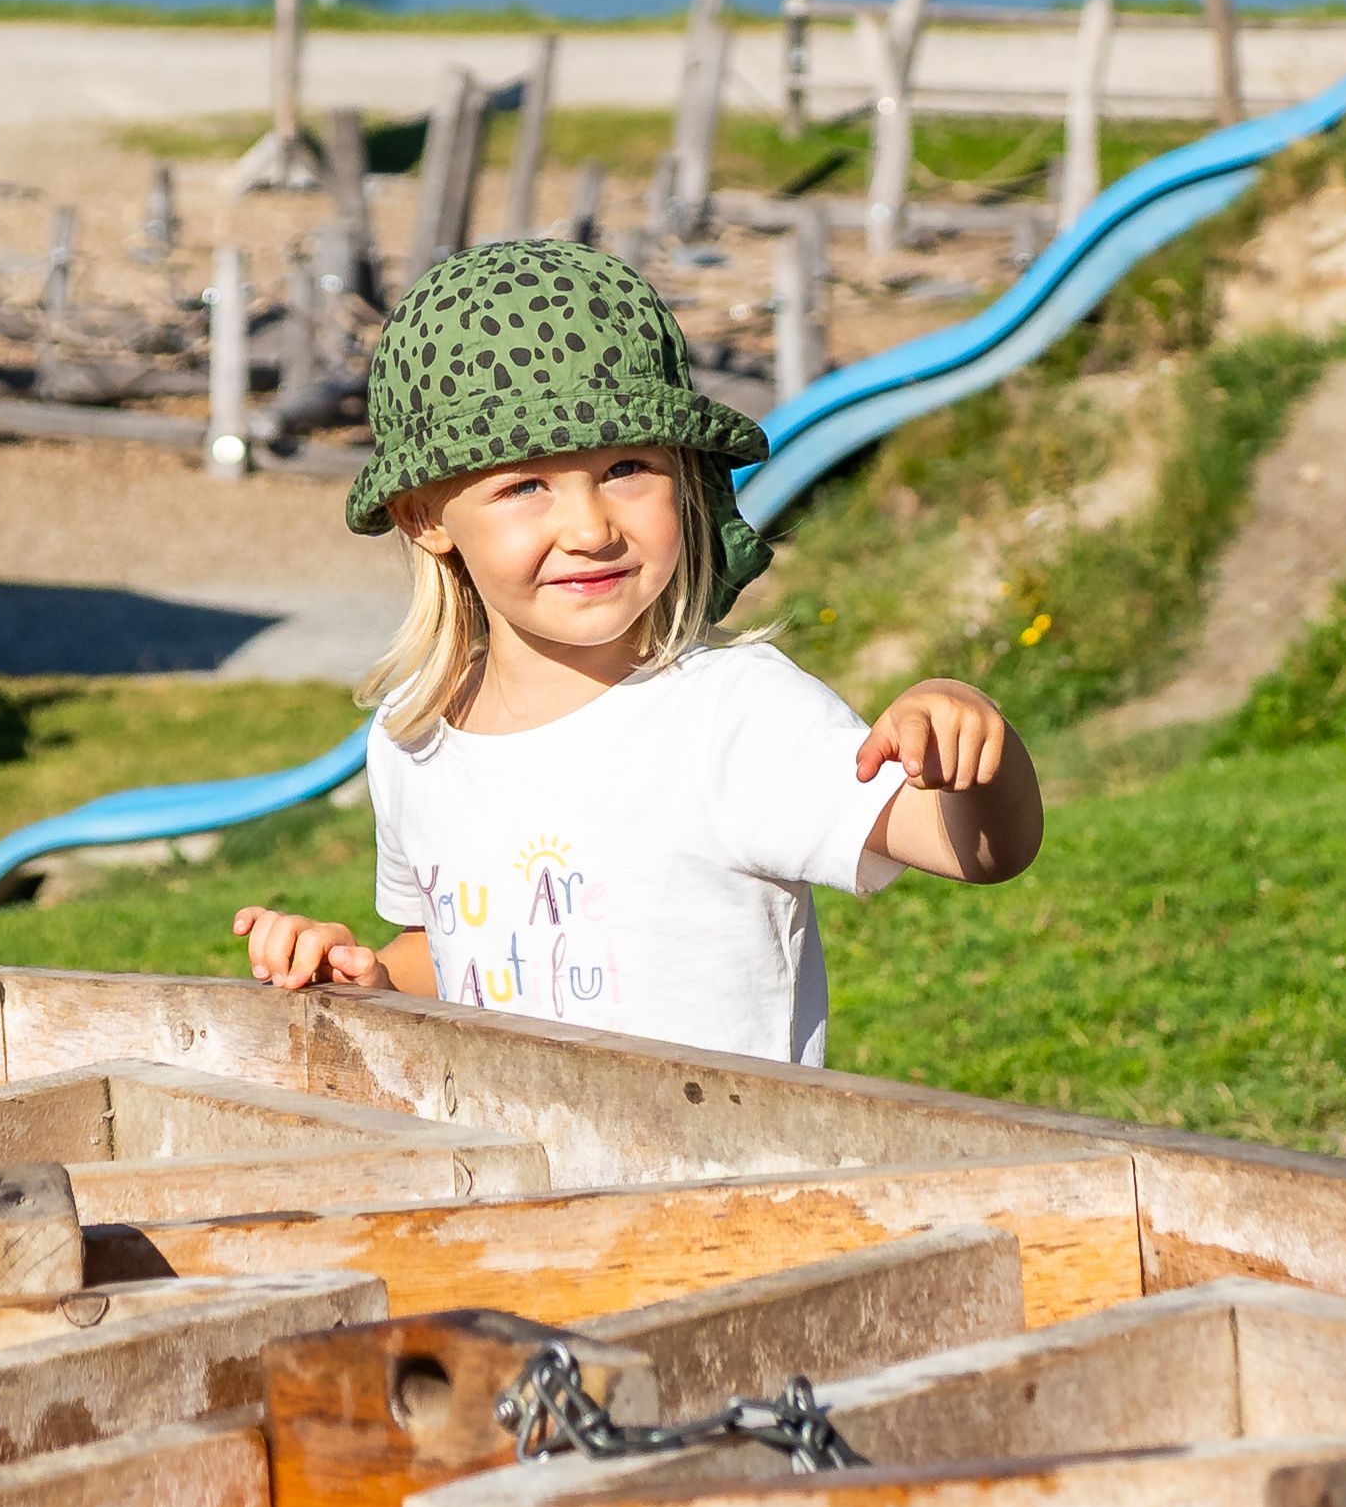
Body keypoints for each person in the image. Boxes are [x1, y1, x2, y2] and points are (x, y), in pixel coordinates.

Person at [235, 238, 1033, 1065]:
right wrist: (365, 977)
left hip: (718, 1151)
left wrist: (978, 752)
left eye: (625, 467)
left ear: (682, 477)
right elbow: (454, 954)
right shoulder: (414, 736)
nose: (590, 528)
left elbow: (977, 851)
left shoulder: (732, 715)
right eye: (525, 484)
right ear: (424, 517)